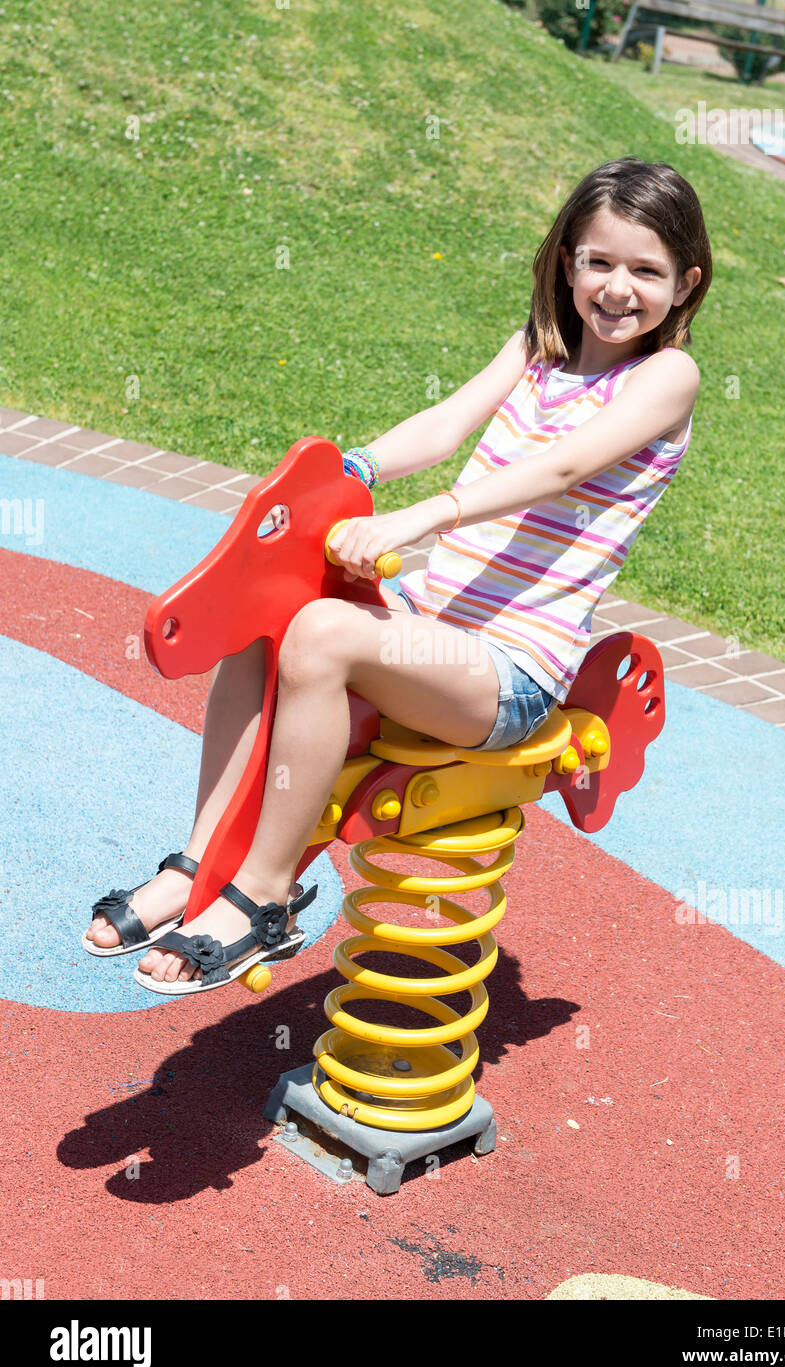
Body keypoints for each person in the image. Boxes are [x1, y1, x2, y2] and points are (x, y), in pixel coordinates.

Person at [85, 155, 710, 992]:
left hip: (510, 672)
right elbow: (445, 424)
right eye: (598, 261)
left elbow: (562, 468)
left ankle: (265, 898)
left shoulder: (665, 377)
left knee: (321, 632)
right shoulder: (536, 348)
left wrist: (423, 516)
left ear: (685, 282)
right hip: (429, 630)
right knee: (272, 609)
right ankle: (198, 863)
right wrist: (356, 469)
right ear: (567, 263)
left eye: (646, 271)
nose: (616, 288)